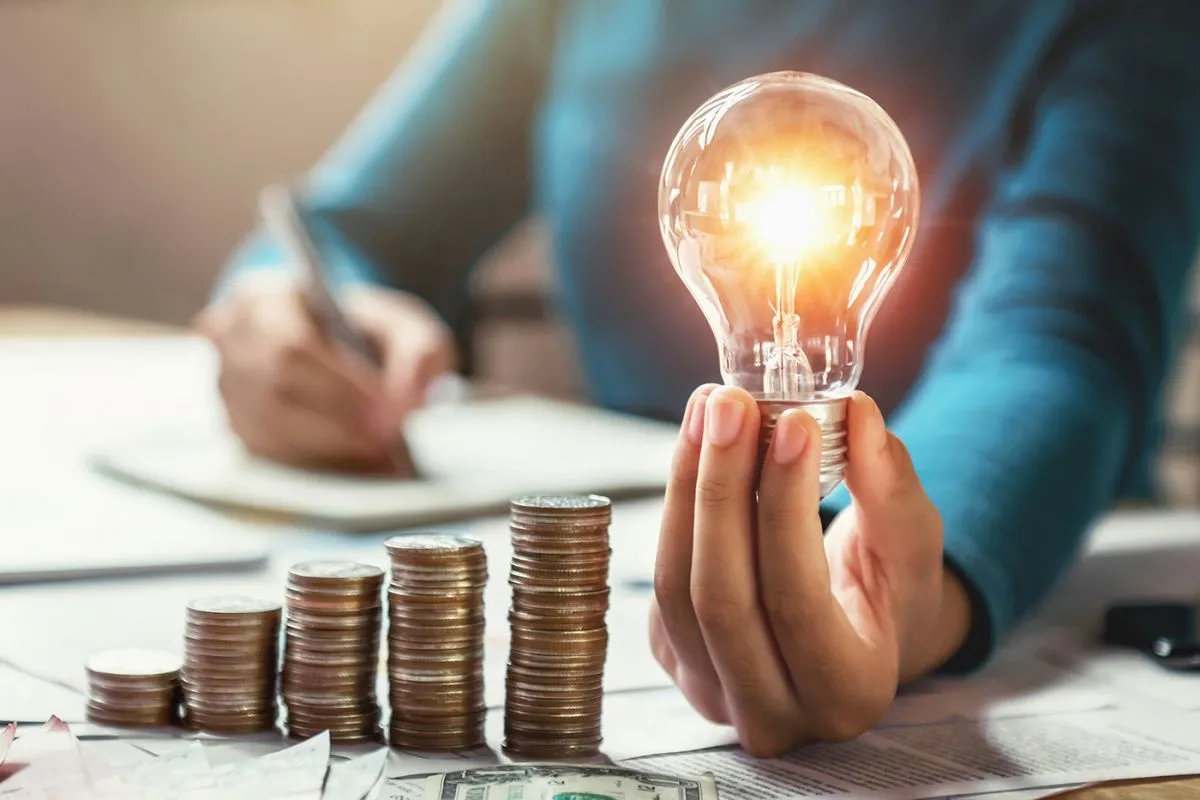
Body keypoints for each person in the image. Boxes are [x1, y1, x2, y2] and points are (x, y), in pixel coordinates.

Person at [196, 0, 1200, 756]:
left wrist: (903, 583)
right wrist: (284, 309)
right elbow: (347, 225)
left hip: (1028, 572)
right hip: (637, 558)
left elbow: (1057, 344)